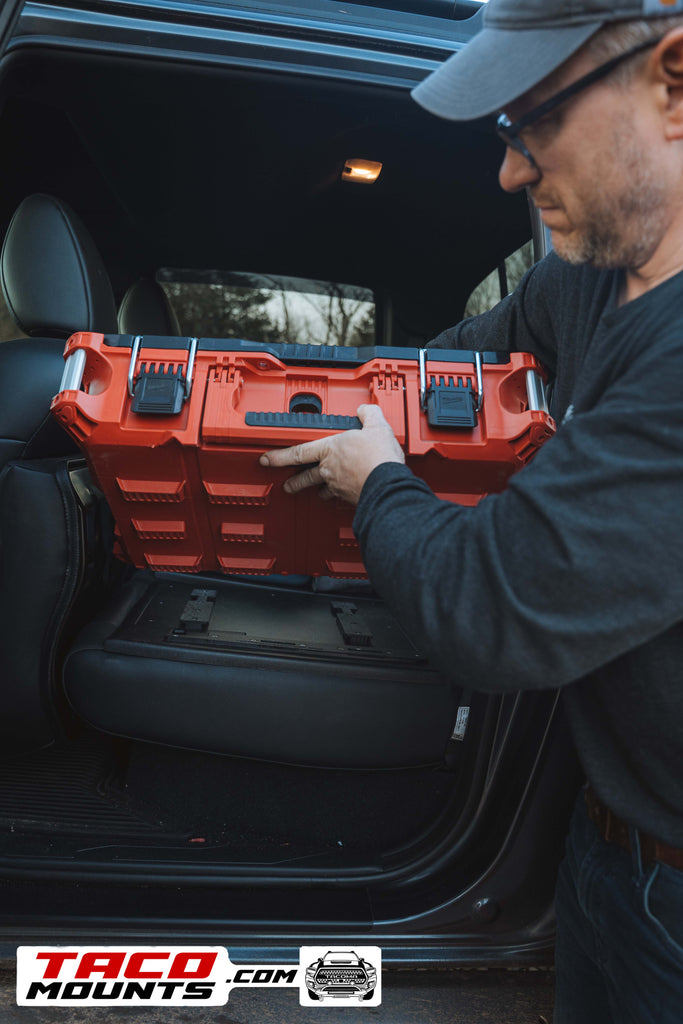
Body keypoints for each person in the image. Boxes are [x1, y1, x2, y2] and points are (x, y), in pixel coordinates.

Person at [259, 1, 683, 1020]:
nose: (507, 172)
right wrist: (310, 394)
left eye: (534, 122)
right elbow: (447, 361)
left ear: (672, 81)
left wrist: (378, 479)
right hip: (606, 841)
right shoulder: (585, 285)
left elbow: (489, 610)